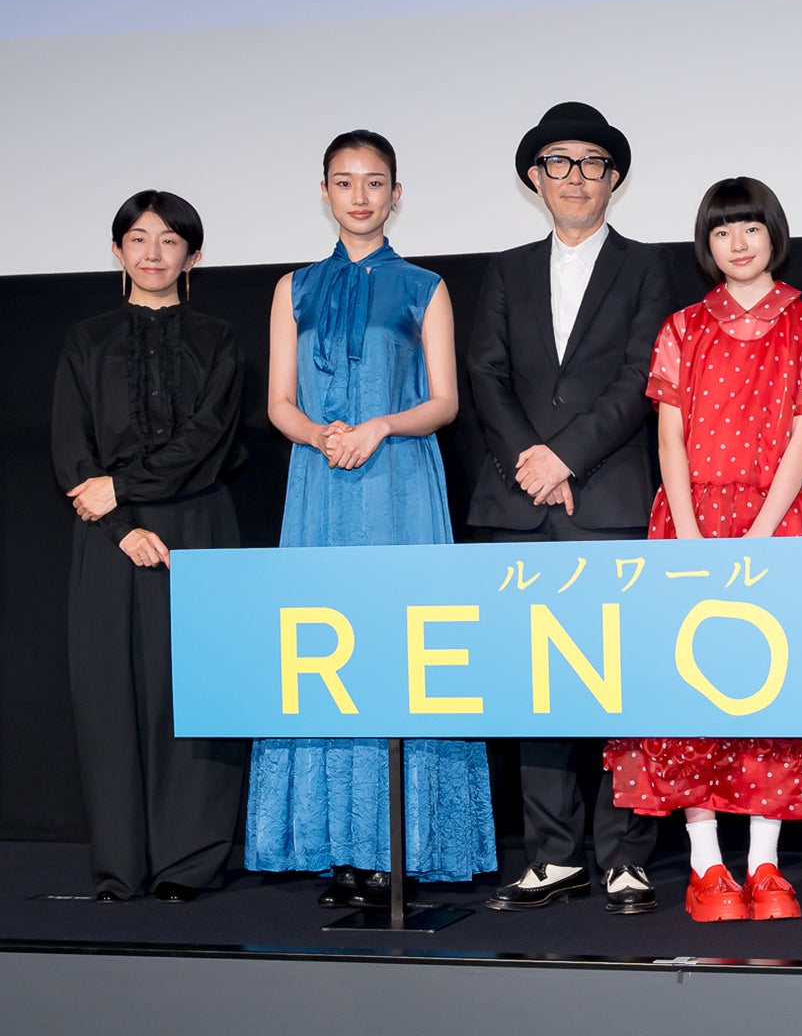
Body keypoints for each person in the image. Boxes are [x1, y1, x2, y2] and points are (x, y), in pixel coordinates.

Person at [244, 130, 496, 908]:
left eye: (375, 181)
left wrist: (379, 426)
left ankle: (403, 848)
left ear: (396, 193)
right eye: (345, 181)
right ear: (324, 192)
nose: (360, 195)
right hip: (319, 486)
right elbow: (278, 402)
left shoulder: (425, 286)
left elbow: (445, 401)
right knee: (323, 648)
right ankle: (336, 849)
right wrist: (319, 435)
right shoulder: (292, 288)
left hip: (400, 484)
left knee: (401, 647)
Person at [602, 177, 802, 922]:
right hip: (689, 524)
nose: (738, 244)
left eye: (750, 228)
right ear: (706, 245)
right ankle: (706, 866)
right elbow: (669, 437)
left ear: (773, 233)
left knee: (773, 689)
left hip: (778, 526)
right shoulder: (682, 328)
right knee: (689, 691)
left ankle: (765, 863)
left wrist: (759, 536)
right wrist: (690, 537)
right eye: (721, 231)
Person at [468, 102, 672, 915]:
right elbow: (485, 374)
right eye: (559, 161)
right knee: (535, 687)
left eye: (592, 162)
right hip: (520, 504)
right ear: (536, 178)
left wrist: (567, 457)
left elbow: (639, 377)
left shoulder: (646, 266)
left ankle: (624, 855)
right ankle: (552, 856)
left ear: (613, 178)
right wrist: (533, 461)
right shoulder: (506, 268)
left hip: (608, 499)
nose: (576, 176)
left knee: (624, 685)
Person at [51, 190, 247, 903]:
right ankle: (120, 865)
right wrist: (120, 522)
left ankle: (188, 862)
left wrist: (123, 486)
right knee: (108, 695)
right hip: (107, 534)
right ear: (117, 251)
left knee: (194, 688)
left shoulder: (219, 338)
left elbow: (208, 439)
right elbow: (70, 447)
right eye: (138, 238)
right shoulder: (86, 340)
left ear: (193, 256)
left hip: (197, 525)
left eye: (169, 240)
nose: (153, 252)